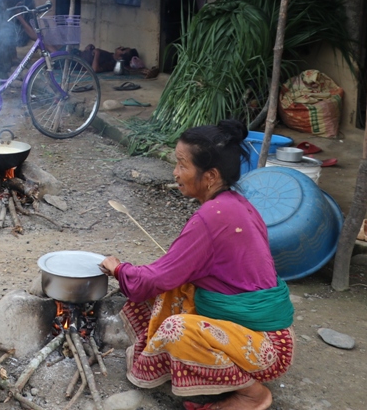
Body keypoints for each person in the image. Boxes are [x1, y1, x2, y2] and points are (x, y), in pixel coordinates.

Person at [98, 119, 294, 410]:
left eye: (182, 165)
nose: (175, 173)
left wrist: (119, 269)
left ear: (211, 175)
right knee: (175, 289)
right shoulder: (237, 204)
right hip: (273, 335)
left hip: (265, 349)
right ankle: (198, 373)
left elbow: (151, 281)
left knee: (175, 325)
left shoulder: (211, 217)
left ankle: (251, 393)